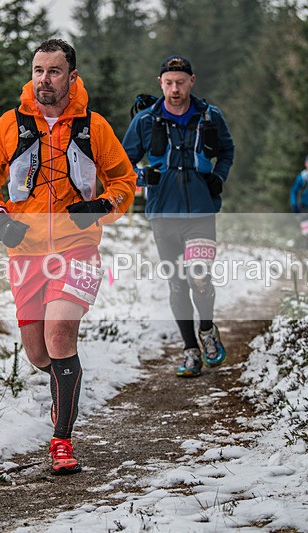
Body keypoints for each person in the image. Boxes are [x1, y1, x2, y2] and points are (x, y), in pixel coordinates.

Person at [0, 39, 136, 475]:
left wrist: (100, 206)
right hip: (25, 252)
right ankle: (65, 383)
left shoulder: (93, 127)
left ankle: (62, 440)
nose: (44, 79)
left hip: (76, 248)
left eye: (54, 71)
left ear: (72, 76)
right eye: (38, 70)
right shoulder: (10, 125)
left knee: (60, 335)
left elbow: (125, 182)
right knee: (39, 353)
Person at [122, 55, 235, 378]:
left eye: (181, 83)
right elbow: (121, 162)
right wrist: (142, 177)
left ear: (191, 81)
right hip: (162, 215)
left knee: (200, 277)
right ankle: (190, 350)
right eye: (169, 83)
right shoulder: (145, 120)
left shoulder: (210, 116)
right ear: (161, 83)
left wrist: (219, 177)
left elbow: (227, 150)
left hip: (200, 211)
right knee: (177, 283)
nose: (175, 89)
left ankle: (207, 330)